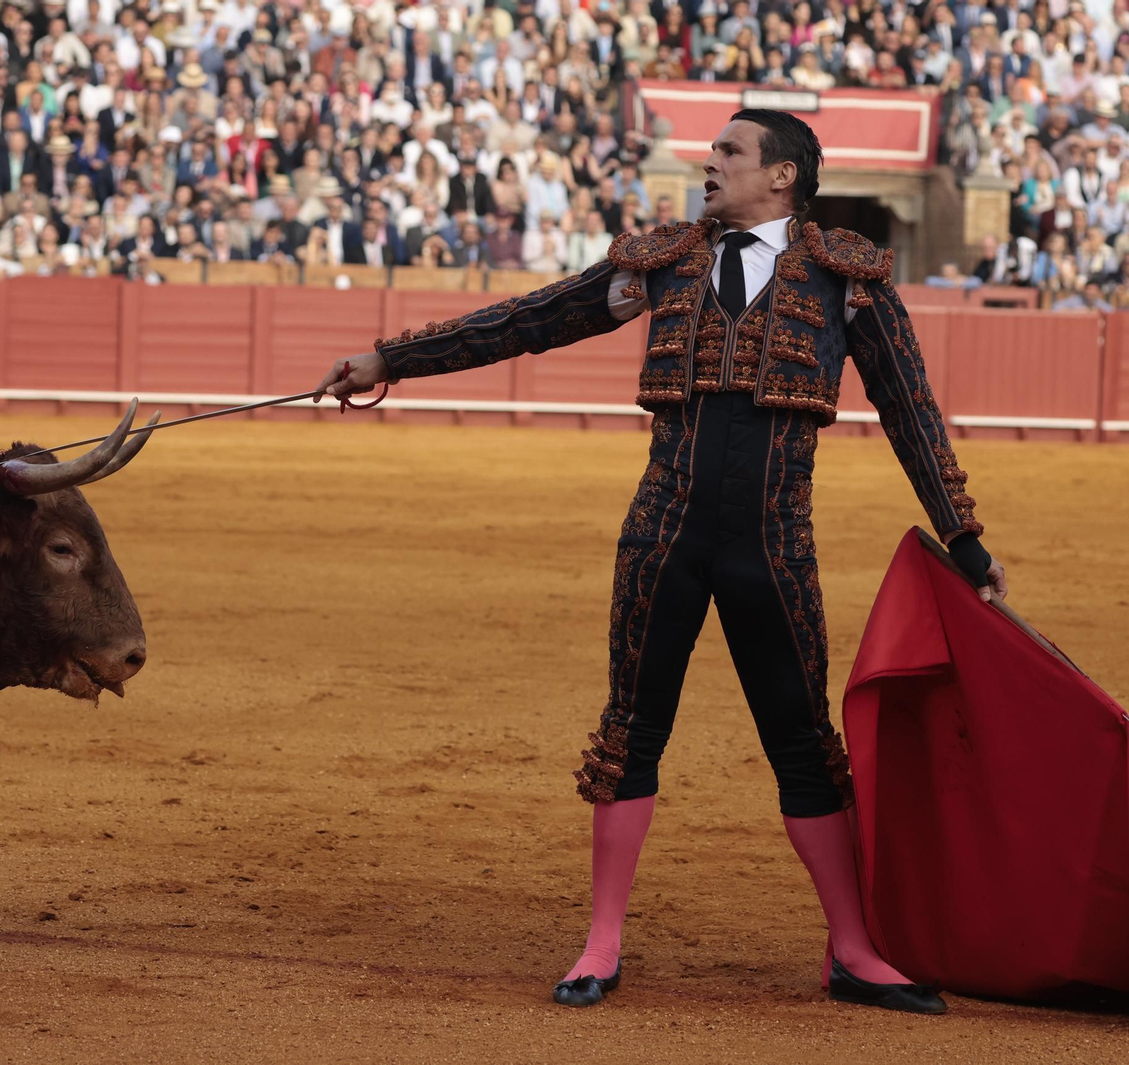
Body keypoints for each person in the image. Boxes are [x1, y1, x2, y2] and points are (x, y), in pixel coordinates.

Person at [316, 110, 1007, 1015]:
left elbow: (912, 409)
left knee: (802, 745)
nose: (708, 164)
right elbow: (528, 320)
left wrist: (964, 536)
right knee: (631, 731)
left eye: (729, 153)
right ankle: (602, 942)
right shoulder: (663, 260)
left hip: (774, 545)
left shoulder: (851, 279)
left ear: (785, 176)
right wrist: (391, 358)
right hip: (662, 537)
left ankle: (852, 947)